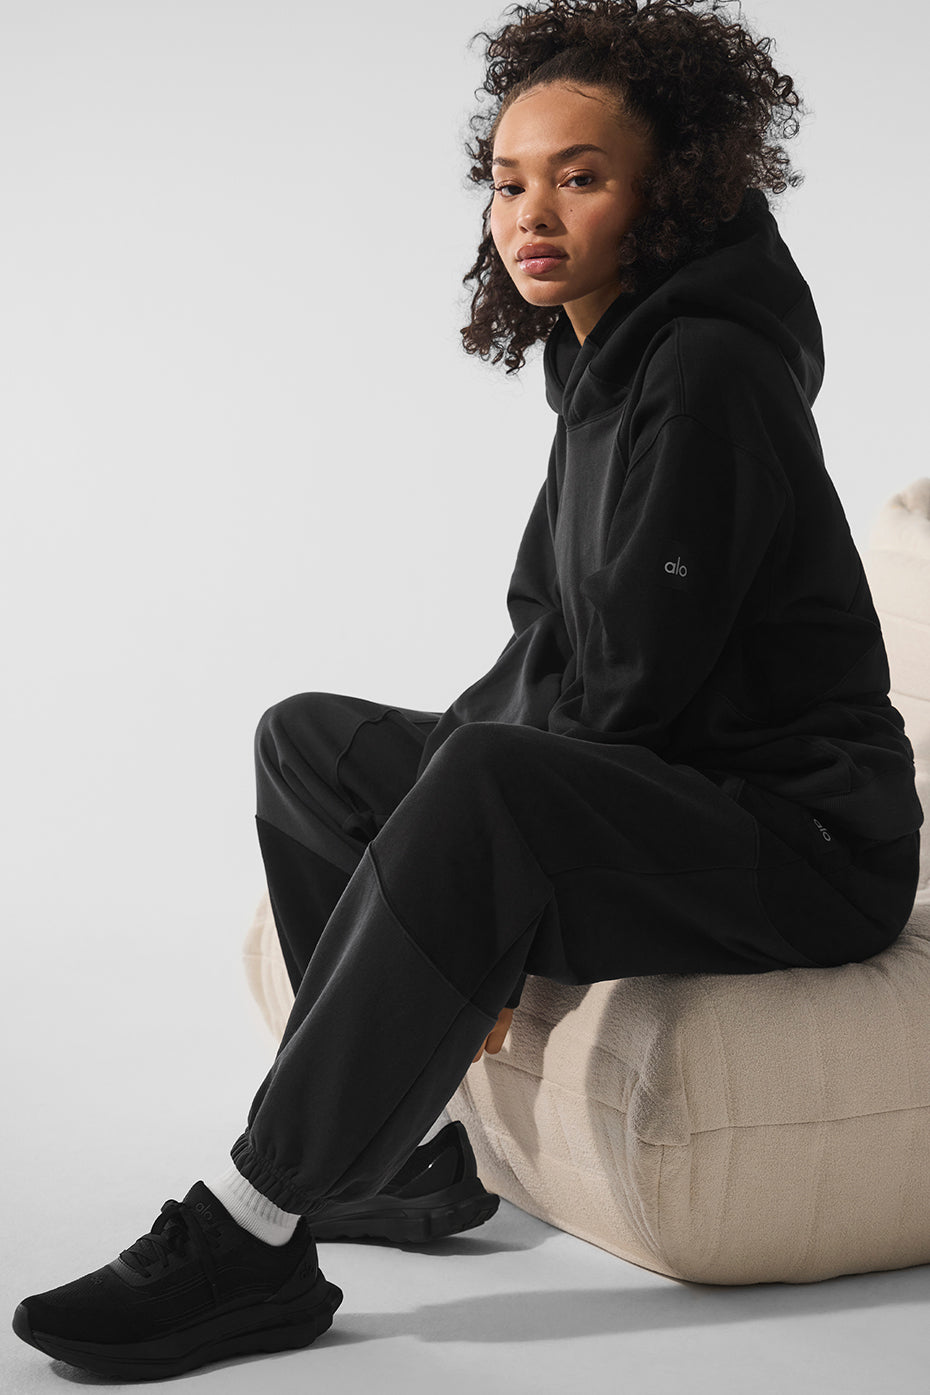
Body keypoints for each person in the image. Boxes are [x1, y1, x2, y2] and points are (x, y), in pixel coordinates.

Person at [13, 0, 924, 1380]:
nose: (529, 215)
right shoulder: (602, 362)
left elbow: (633, 681)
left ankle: (253, 1232)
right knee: (309, 744)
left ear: (668, 194)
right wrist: (435, 815)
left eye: (580, 177)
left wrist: (474, 875)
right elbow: (546, 634)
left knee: (487, 780)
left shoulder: (710, 372)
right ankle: (388, 1164)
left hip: (798, 844)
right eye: (507, 181)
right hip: (673, 790)